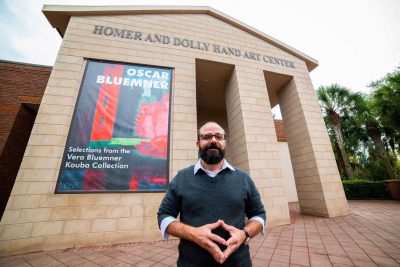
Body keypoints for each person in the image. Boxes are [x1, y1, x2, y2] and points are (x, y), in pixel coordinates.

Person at [157, 121, 266, 266]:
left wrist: (244, 234)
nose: (213, 140)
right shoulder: (181, 178)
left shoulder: (243, 178)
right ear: (198, 144)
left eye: (219, 136)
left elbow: (259, 214)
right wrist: (193, 234)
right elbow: (164, 215)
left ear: (225, 143)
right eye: (207, 136)